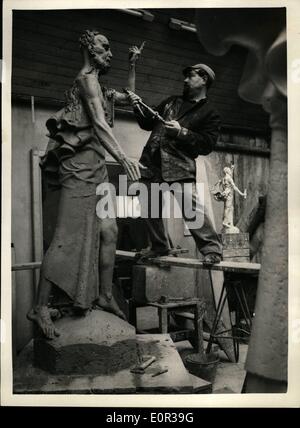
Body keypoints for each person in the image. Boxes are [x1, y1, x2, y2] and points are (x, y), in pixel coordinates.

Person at [27, 30, 144, 339]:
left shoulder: (102, 87)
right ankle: (40, 307)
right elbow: (101, 124)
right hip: (77, 169)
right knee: (65, 237)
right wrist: (123, 157)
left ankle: (104, 295)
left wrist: (132, 67)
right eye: (105, 48)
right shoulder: (86, 81)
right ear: (91, 49)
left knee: (110, 230)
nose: (110, 54)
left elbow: (128, 98)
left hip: (97, 169)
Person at [126, 63, 223, 264]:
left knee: (191, 208)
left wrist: (181, 132)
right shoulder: (171, 102)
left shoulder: (210, 113)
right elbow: (146, 122)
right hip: (152, 164)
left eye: (190, 76)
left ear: (204, 79)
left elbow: (206, 145)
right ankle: (159, 247)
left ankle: (212, 250)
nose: (185, 80)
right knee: (148, 207)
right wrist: (136, 104)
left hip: (179, 167)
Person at [211, 164, 247, 232]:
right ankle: (225, 222)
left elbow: (230, 177)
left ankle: (230, 223)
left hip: (226, 194)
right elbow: (234, 187)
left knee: (230, 208)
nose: (230, 171)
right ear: (227, 171)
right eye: (230, 170)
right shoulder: (229, 178)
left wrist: (232, 169)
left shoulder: (224, 178)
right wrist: (242, 194)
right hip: (229, 194)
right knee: (228, 208)